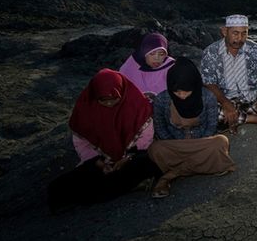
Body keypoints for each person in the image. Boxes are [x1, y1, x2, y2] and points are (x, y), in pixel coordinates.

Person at [47, 69, 160, 212]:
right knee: (56, 188)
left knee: (149, 162)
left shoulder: (137, 105)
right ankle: (127, 186)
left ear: (122, 93)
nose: (109, 104)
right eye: (103, 101)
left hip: (132, 159)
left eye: (114, 99)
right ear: (95, 97)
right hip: (103, 162)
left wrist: (127, 158)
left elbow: (146, 138)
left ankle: (91, 195)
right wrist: (99, 163)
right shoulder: (85, 111)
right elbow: (82, 143)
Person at [148, 57, 235, 198]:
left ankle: (171, 174)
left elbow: (211, 128)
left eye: (186, 91)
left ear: (194, 85)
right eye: (177, 92)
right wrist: (177, 145)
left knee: (221, 141)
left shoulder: (207, 97)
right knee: (155, 149)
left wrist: (194, 146)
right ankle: (201, 165)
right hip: (175, 145)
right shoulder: (162, 100)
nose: (182, 96)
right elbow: (160, 128)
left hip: (200, 143)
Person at [200, 14, 257, 132]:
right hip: (227, 99)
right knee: (206, 110)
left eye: (244, 33)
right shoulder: (211, 52)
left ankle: (237, 118)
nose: (240, 38)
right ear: (224, 31)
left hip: (254, 97)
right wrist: (225, 103)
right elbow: (209, 83)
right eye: (235, 33)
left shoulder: (255, 49)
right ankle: (254, 118)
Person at [119, 32, 175, 100]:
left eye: (161, 54)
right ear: (144, 52)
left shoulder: (170, 66)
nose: (156, 58)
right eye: (152, 53)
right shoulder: (130, 67)